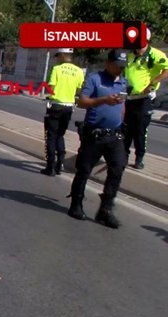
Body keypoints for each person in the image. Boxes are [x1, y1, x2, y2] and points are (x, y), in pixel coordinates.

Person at [67, 50, 129, 229]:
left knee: (118, 167)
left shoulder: (123, 82)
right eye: (117, 65)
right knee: (84, 169)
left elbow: (122, 105)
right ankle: (76, 203)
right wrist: (103, 100)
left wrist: (121, 120)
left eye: (122, 66)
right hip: (94, 134)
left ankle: (106, 209)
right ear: (108, 63)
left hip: (114, 135)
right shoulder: (95, 79)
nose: (120, 69)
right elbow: (82, 102)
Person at [123, 28, 168, 169]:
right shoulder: (130, 55)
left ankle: (139, 158)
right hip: (128, 98)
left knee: (140, 130)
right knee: (125, 130)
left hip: (144, 99)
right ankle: (123, 157)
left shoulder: (156, 54)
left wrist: (152, 83)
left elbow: (166, 69)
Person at [42, 48, 85, 176]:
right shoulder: (79, 71)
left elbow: (51, 88)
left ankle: (50, 166)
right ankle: (60, 164)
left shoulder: (57, 69)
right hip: (69, 107)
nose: (57, 59)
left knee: (51, 136)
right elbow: (79, 90)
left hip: (56, 106)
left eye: (58, 56)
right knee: (60, 135)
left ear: (62, 55)